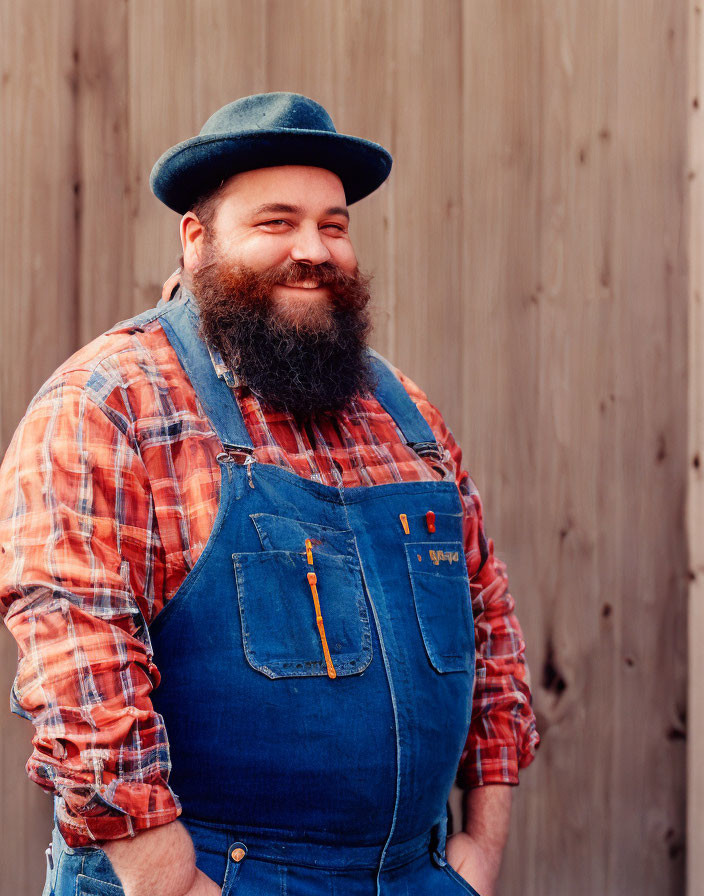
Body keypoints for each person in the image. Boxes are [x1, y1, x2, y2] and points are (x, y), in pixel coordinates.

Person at [0, 92, 538, 896]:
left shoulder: (405, 415)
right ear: (196, 241)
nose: (313, 250)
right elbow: (83, 682)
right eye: (275, 223)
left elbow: (491, 626)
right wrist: (170, 883)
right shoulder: (111, 405)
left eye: (333, 224)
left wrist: (482, 850)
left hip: (417, 876)